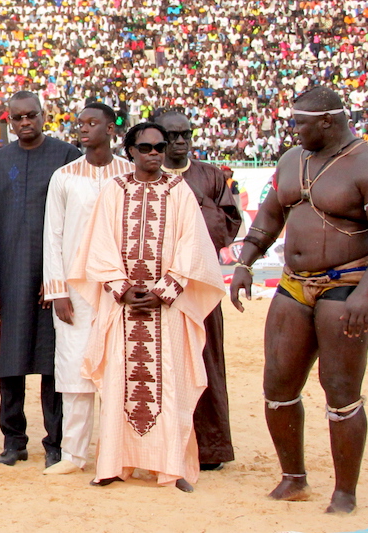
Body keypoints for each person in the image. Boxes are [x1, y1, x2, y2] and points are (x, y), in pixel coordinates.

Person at [230, 86, 368, 514]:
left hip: (345, 285)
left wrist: (367, 292)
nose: (293, 130)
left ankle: (344, 492)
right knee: (277, 383)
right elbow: (271, 215)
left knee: (341, 389)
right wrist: (245, 263)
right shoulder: (293, 159)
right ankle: (293, 479)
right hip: (293, 284)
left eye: (300, 123)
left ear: (328, 121)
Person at [68, 121, 224, 492]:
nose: (155, 153)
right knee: (119, 382)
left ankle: (171, 467)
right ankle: (113, 464)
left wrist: (166, 289)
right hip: (122, 308)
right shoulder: (114, 190)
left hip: (166, 307)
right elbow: (100, 243)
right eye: (147, 147)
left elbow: (193, 245)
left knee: (171, 382)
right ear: (131, 152)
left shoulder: (178, 190)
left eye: (160, 147)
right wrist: (121, 288)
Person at [0, 91, 80, 468]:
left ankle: (54, 443)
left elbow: (74, 223)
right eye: (17, 118)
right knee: (10, 361)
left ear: (44, 115)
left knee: (51, 361)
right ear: (9, 121)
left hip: (51, 279)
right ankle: (14, 441)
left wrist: (58, 279)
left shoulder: (66, 156)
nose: (25, 123)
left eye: (31, 116)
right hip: (10, 275)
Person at [40, 103, 133, 476]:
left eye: (93, 124)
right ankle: (73, 456)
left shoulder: (129, 174)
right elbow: (54, 235)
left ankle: (118, 455)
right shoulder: (64, 176)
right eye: (80, 124)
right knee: (75, 370)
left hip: (119, 289)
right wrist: (57, 290)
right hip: (76, 290)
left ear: (111, 129)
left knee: (118, 372)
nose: (84, 129)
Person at [152, 109, 241, 470]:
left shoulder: (210, 176)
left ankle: (210, 450)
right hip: (156, 289)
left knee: (206, 365)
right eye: (171, 136)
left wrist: (191, 227)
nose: (180, 142)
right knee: (159, 366)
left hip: (199, 288)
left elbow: (230, 221)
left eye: (185, 134)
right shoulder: (143, 176)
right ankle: (161, 447)